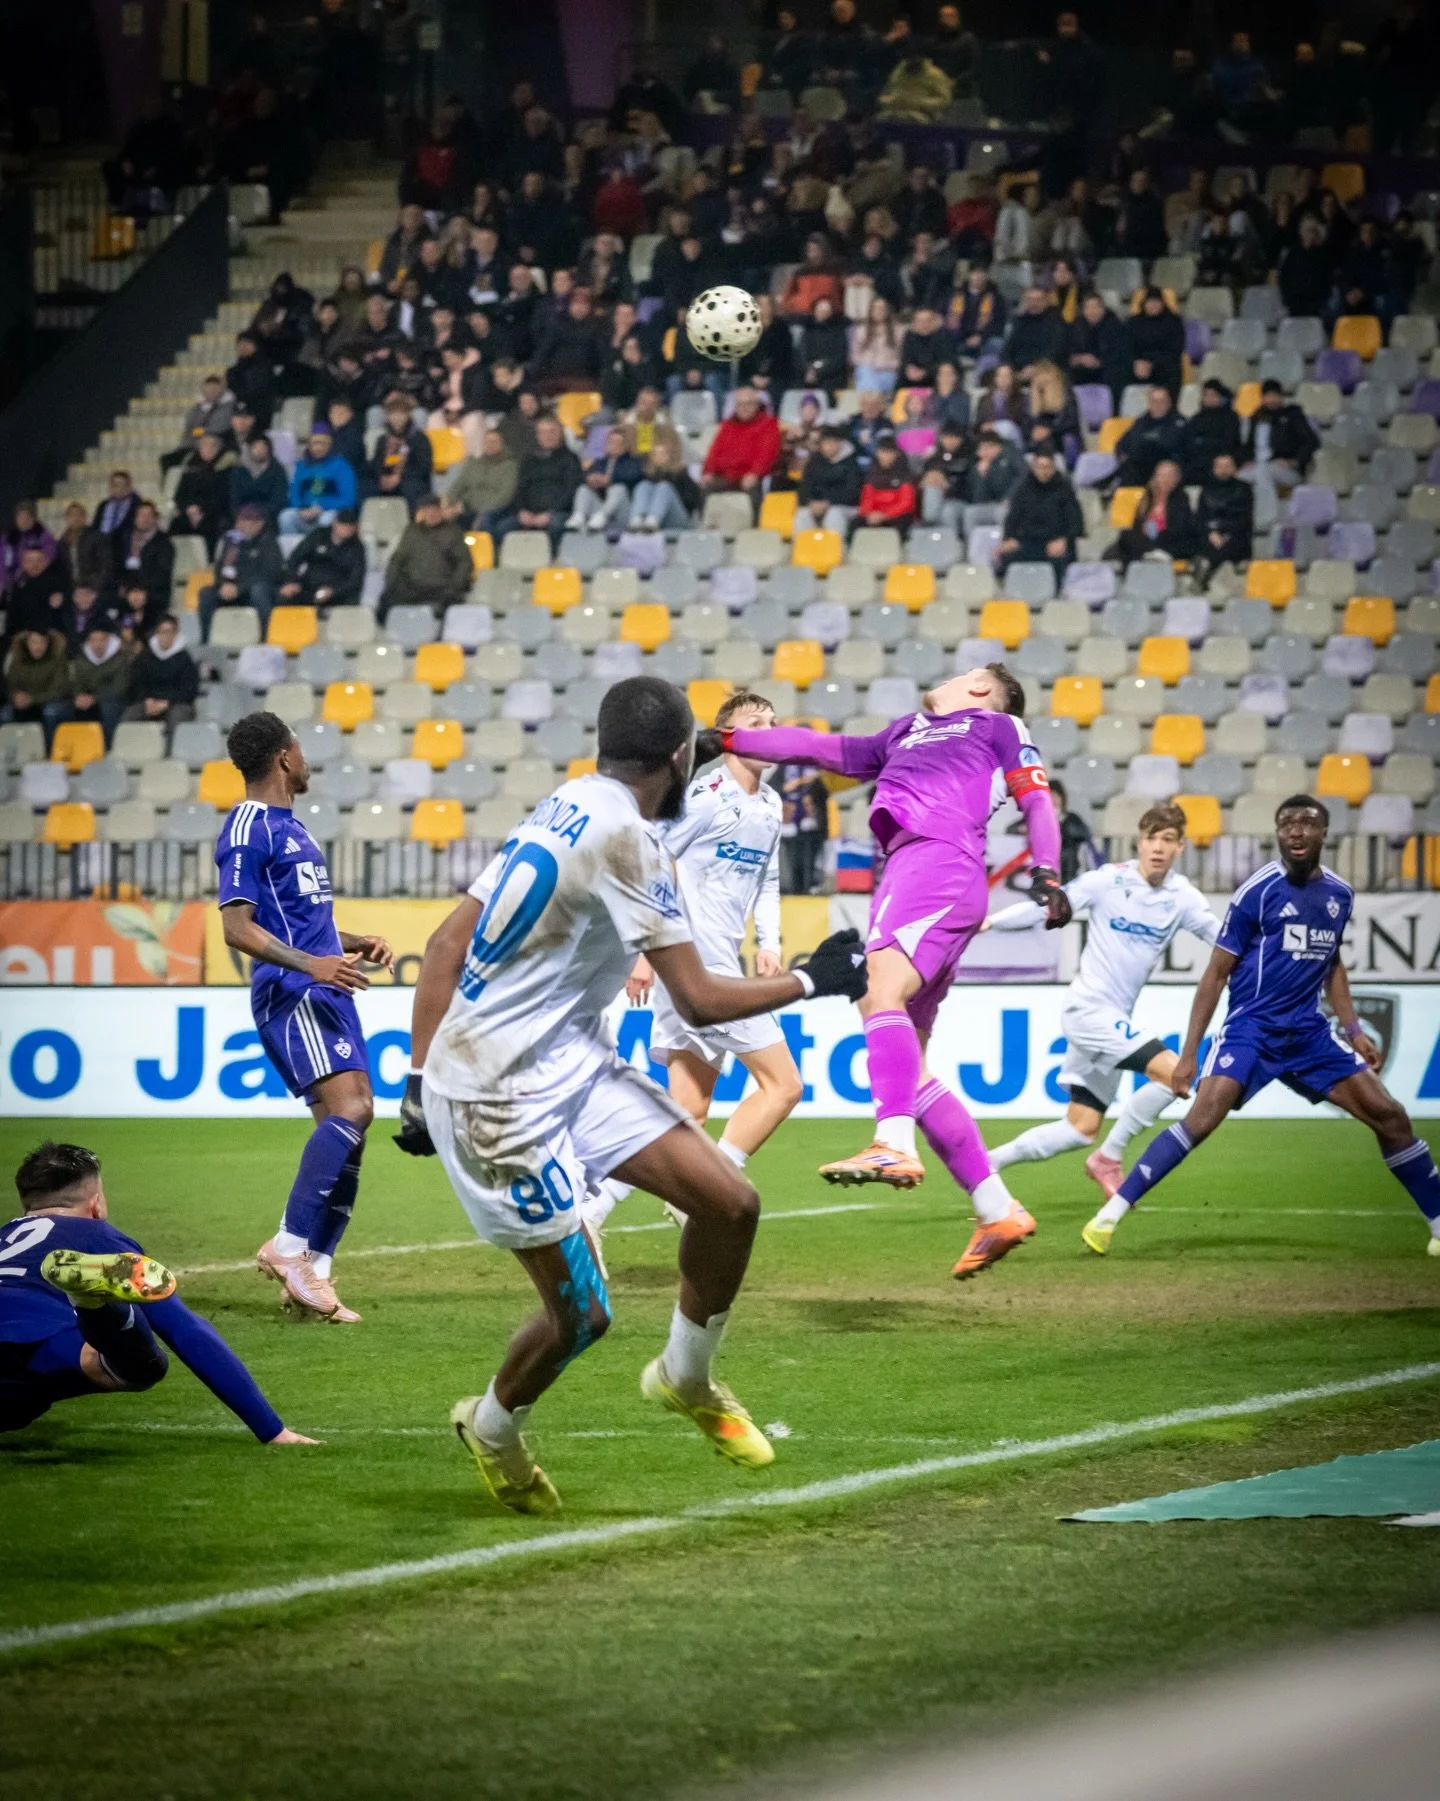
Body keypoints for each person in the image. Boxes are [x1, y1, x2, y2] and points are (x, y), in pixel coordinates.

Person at [396, 676, 868, 1513]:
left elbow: (441, 942)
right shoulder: (632, 842)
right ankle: (494, 1427)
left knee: (730, 1203)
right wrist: (813, 977)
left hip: (566, 1061)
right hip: (497, 1097)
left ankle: (685, 1375)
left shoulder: (570, 800)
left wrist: (410, 1076)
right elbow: (701, 1003)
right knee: (583, 1314)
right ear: (680, 755)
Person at [704, 665, 1068, 1279]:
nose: (949, 678)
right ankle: (996, 1207)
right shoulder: (906, 731)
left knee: (877, 992)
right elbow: (820, 749)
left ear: (982, 689)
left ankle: (893, 1143)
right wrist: (732, 741)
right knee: (912, 1062)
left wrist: (1049, 871)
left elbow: (1036, 797)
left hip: (940, 863)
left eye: (964, 674)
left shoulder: (999, 725)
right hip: (908, 872)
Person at [1084, 797, 1440, 1259]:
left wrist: (1352, 1029)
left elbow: (1332, 963)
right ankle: (1108, 1218)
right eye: (1287, 823)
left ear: (1324, 834)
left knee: (1390, 1117)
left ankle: (1437, 1224)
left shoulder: (1339, 895)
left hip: (1309, 1034)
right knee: (1202, 1119)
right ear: (1277, 833)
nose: (1296, 831)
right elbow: (1216, 973)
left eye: (1307, 823)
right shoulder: (1258, 891)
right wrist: (1189, 1054)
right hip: (1251, 1029)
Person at [597, 693, 801, 1230]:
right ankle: (714, 1186)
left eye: (774, 722)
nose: (769, 731)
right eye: (755, 724)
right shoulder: (706, 797)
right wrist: (644, 951)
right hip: (699, 964)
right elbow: (650, 860)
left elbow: (770, 879)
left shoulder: (771, 804)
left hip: (719, 959)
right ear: (727, 736)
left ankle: (590, 1209)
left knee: (685, 1112)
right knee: (784, 1085)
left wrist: (770, 942)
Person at [215, 712, 395, 1323]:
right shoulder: (248, 827)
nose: (306, 757)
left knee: (351, 1134)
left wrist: (350, 939)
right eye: (301, 747)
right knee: (354, 1111)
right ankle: (289, 1249)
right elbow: (237, 929)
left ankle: (314, 1274)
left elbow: (299, 919)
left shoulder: (291, 828)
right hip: (294, 992)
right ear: (285, 758)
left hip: (321, 986)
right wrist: (312, 966)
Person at [0, 1141, 310, 1443]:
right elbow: (186, 1330)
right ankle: (93, 1303)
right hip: (40, 1344)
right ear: (96, 1204)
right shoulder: (97, 1235)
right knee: (145, 1366)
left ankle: (93, 1305)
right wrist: (272, 1429)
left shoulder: (5, 1237)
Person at [984, 802, 1218, 1188]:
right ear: (1139, 843)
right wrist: (991, 922)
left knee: (1080, 1127)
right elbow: (1047, 907)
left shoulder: (1183, 897)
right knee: (1175, 1075)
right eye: (1150, 838)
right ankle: (1109, 1157)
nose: (1158, 847)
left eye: (1168, 840)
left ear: (1181, 848)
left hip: (1114, 1021)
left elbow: (1223, 940)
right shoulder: (1108, 880)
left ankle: (988, 1164)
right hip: (1088, 1010)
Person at [378, 494, 472, 618]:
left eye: (435, 510)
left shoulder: (453, 532)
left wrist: (454, 587)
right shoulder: (411, 531)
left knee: (445, 605)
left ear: (440, 511)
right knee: (386, 603)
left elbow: (464, 563)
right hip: (413, 587)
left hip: (441, 588)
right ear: (422, 512)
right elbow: (397, 560)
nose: (432, 514)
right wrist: (390, 585)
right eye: (427, 510)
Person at [998, 447, 1082, 583]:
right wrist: (1009, 538)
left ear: (1054, 468)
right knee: (1007, 554)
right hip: (1028, 540)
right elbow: (1013, 518)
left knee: (1059, 558)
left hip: (1055, 541)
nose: (1044, 471)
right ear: (1033, 467)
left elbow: (1075, 521)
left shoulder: (1064, 489)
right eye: (1039, 467)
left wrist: (1064, 540)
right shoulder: (1024, 489)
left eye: (1047, 467)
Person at [200, 504, 284, 640]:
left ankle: (265, 637)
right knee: (206, 593)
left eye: (248, 521)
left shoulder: (269, 542)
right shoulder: (232, 541)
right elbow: (222, 567)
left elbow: (269, 573)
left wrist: (239, 588)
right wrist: (223, 584)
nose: (242, 525)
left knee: (259, 591)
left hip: (253, 591)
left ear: (260, 524)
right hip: (232, 590)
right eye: (241, 520)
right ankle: (206, 638)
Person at [122, 613, 199, 742]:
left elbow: (189, 690)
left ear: (175, 634)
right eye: (162, 632)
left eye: (170, 632)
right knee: (130, 715)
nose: (166, 636)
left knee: (177, 717)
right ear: (157, 633)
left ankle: (172, 754)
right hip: (149, 700)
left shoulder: (185, 658)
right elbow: (137, 683)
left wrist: (167, 702)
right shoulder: (145, 656)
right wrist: (147, 700)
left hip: (176, 703)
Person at [701, 388, 781, 509]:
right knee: (705, 487)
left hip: (751, 476)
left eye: (748, 404)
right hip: (726, 476)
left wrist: (755, 473)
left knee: (754, 488)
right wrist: (708, 471)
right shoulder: (727, 425)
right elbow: (715, 451)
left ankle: (753, 525)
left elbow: (767, 454)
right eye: (740, 404)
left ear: (756, 405)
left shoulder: (768, 424)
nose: (744, 408)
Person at [1110, 459, 1196, 567]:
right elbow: (1134, 525)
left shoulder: (1181, 499)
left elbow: (1180, 529)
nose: (1165, 480)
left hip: (1168, 544)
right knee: (1126, 539)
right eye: (1162, 476)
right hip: (1144, 544)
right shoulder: (1146, 496)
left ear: (1177, 479)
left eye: (1170, 476)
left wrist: (1157, 534)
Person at [280, 509, 366, 609]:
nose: (346, 529)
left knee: (351, 601)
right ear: (335, 523)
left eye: (350, 526)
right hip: (310, 585)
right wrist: (292, 581)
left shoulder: (357, 548)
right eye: (343, 525)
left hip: (338, 590)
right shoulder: (318, 535)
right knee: (285, 596)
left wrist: (333, 591)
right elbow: (294, 559)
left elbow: (355, 580)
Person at [281, 427, 358, 535]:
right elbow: (294, 493)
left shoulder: (342, 466)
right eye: (314, 444)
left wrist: (321, 507)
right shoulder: (301, 466)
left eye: (322, 443)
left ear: (329, 445)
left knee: (326, 519)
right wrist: (300, 509)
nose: (318, 448)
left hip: (329, 512)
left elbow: (348, 500)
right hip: (305, 513)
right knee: (286, 517)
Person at [567, 426, 643, 534]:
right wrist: (590, 478)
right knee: (583, 489)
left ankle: (602, 515)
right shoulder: (600, 461)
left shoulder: (634, 461)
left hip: (624, 511)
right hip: (600, 507)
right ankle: (579, 515)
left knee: (618, 488)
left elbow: (633, 476)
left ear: (625, 445)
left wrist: (610, 479)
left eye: (616, 442)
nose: (612, 445)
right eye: (610, 441)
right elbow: (585, 474)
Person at [64, 624, 130, 746]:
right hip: (89, 699)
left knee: (108, 709)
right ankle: (80, 747)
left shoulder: (121, 659)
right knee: (66, 709)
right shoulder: (82, 659)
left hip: (112, 700)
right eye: (94, 640)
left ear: (109, 640)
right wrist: (79, 696)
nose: (97, 644)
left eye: (101, 640)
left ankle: (109, 747)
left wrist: (95, 698)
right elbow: (77, 683)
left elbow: (119, 688)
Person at [2, 629, 72, 745]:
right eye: (34, 642)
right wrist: (15, 697)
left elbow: (59, 689)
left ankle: (51, 749)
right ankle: (11, 749)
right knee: (5, 714)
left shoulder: (58, 657)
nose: (38, 646)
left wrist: (33, 699)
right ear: (27, 643)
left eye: (42, 642)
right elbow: (11, 685)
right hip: (25, 702)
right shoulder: (17, 658)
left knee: (51, 712)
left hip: (52, 701)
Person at [1195, 449, 1254, 583]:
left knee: (1224, 547)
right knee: (1205, 543)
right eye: (1219, 466)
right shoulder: (1206, 490)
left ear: (1234, 468)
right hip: (1211, 536)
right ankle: (1203, 576)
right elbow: (1200, 518)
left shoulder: (1244, 489)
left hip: (1236, 537)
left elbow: (1244, 520)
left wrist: (1224, 533)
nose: (1223, 470)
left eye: (1227, 466)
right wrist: (1211, 533)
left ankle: (1203, 577)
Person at [1115, 384, 1185, 489]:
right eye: (1154, 401)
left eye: (1162, 401)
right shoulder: (1140, 422)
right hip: (1138, 467)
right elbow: (1123, 443)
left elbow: (1171, 446)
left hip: (1165, 467)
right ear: (1149, 402)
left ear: (1169, 402)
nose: (1158, 405)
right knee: (1130, 468)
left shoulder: (1179, 423)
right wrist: (1122, 455)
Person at [798, 423, 864, 533]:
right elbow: (805, 486)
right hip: (816, 505)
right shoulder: (814, 462)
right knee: (803, 514)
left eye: (832, 443)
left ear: (840, 443)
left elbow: (852, 492)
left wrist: (828, 503)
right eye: (825, 443)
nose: (829, 447)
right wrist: (811, 502)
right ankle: (803, 548)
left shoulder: (851, 463)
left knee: (834, 514)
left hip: (845, 507)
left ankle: (836, 548)